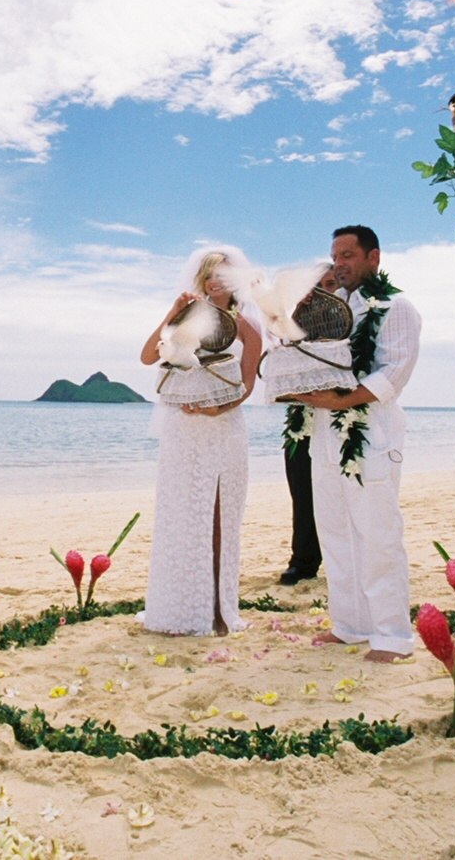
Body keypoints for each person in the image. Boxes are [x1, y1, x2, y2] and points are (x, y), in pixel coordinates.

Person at [288, 225, 421, 663]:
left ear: (373, 257)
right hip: (325, 435)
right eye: (335, 256)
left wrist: (341, 399)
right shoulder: (332, 309)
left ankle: (392, 635)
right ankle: (350, 625)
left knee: (378, 535)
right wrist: (299, 312)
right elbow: (296, 355)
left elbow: (393, 373)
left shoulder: (394, 307)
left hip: (370, 436)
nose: (339, 263)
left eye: (348, 255)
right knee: (335, 533)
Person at [139, 247, 262, 635]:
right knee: (180, 515)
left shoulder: (245, 327)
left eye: (223, 276)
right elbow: (147, 357)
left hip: (223, 429)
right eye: (210, 275)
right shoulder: (186, 318)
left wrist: (218, 411)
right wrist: (172, 314)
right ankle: (176, 608)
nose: (215, 282)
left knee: (219, 516)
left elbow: (246, 385)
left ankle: (216, 611)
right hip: (181, 430)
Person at [279, 268, 341, 586]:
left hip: (343, 419)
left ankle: (344, 562)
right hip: (303, 420)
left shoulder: (353, 324)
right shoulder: (301, 327)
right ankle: (303, 561)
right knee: (302, 491)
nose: (322, 291)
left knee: (340, 496)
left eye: (329, 284)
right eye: (315, 287)